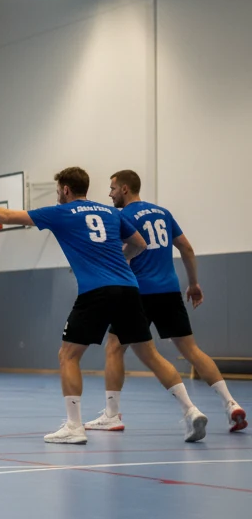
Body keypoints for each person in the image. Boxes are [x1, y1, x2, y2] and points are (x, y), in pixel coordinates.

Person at [0, 167, 208, 444]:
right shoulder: (111, 213)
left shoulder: (60, 212)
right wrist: (121, 260)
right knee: (151, 356)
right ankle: (191, 410)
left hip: (96, 292)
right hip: (130, 289)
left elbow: (7, 215)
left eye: (58, 189)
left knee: (68, 355)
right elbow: (140, 244)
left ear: (65, 190)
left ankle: (74, 427)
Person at [90, 170, 245, 432]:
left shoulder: (121, 217)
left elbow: (119, 253)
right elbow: (187, 248)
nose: (110, 194)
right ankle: (230, 404)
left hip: (137, 293)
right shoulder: (163, 213)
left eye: (113, 188)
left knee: (114, 347)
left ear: (125, 189)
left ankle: (112, 414)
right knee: (192, 351)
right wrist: (194, 284)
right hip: (170, 291)